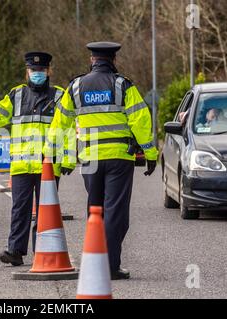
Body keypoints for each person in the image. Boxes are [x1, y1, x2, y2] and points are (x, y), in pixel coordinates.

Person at [44, 42, 158, 280]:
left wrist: (51, 158)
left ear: (92, 61)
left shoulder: (75, 87)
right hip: (118, 158)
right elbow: (141, 120)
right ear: (113, 60)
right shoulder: (122, 85)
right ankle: (110, 266)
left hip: (90, 160)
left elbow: (60, 124)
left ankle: (96, 262)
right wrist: (150, 154)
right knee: (115, 214)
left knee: (95, 212)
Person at [0, 52, 75, 266]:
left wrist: (68, 158)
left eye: (40, 71)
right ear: (26, 72)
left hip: (48, 164)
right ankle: (15, 251)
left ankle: (43, 251)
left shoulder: (59, 96)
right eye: (33, 71)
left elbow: (69, 128)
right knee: (20, 208)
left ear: (48, 71)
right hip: (21, 165)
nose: (36, 74)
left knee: (46, 210)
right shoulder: (16, 95)